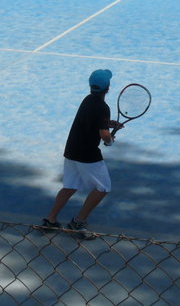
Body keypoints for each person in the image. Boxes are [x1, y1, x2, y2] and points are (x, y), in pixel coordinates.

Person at [42, 69, 123, 239]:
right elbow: (104, 136)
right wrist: (110, 140)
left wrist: (107, 123)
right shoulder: (103, 107)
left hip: (71, 150)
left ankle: (50, 220)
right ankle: (78, 222)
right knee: (103, 187)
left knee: (70, 185)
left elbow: (93, 120)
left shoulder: (87, 100)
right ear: (108, 88)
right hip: (87, 155)